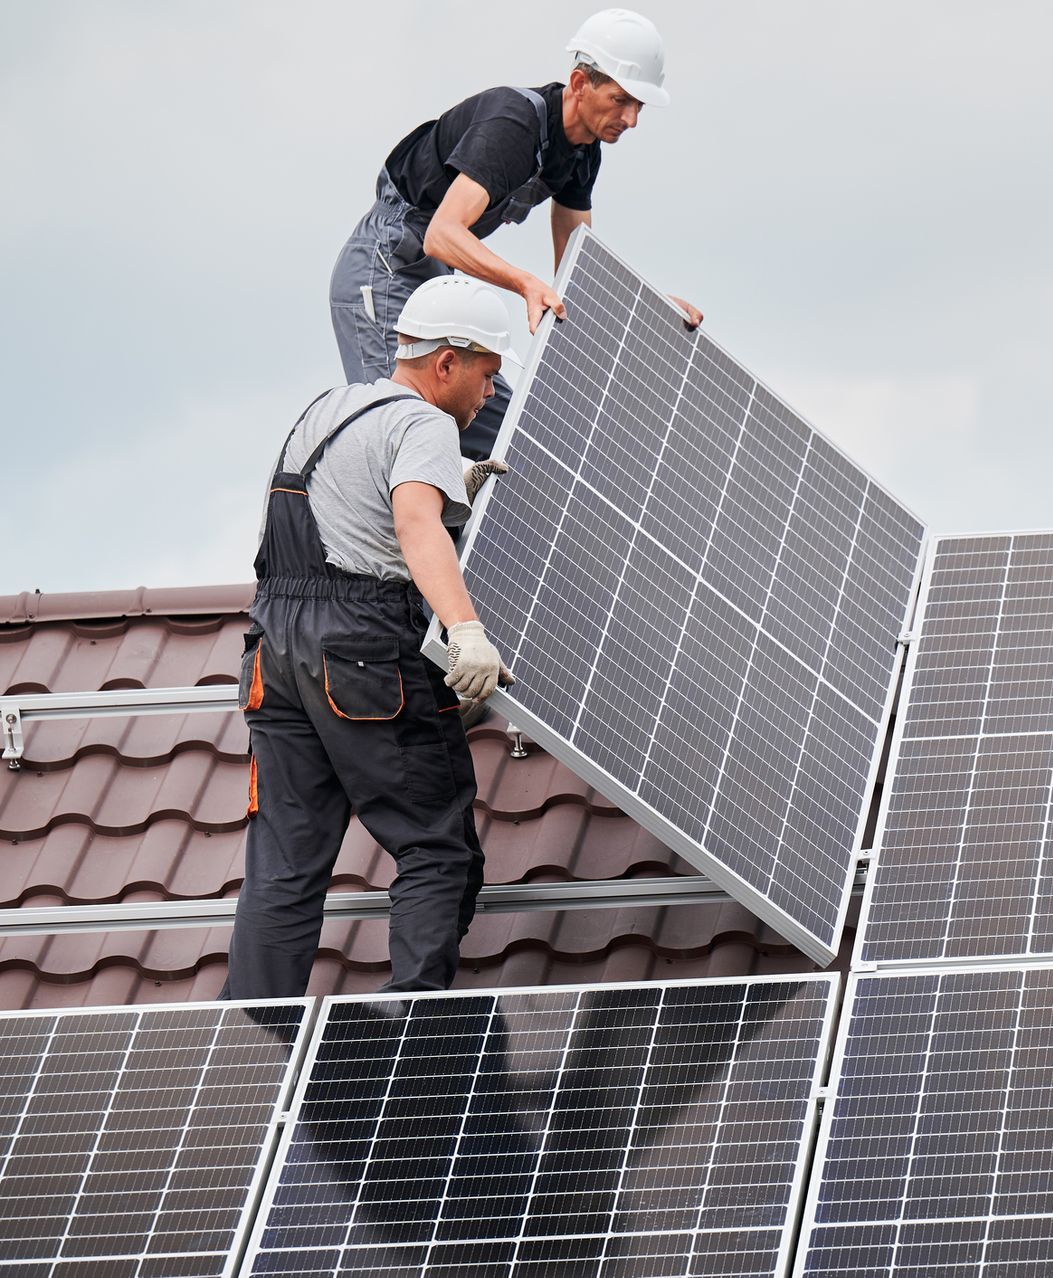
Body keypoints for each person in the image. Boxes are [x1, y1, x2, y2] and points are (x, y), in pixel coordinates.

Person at [225, 276, 519, 999]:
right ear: (446, 362)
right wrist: (467, 630)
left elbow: (344, 517)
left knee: (286, 866)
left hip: (275, 648)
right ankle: (413, 1047)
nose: (490, 393)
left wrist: (453, 490)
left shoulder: (327, 408)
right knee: (434, 846)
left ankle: (247, 1061)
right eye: (486, 374)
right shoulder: (424, 425)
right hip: (358, 647)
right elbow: (414, 526)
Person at [328, 8, 702, 460]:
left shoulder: (583, 156)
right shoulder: (515, 123)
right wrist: (523, 282)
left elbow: (577, 272)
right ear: (581, 84)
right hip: (386, 265)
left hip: (435, 282)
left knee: (514, 440)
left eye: (639, 106)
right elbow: (442, 234)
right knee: (403, 425)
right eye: (622, 99)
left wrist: (651, 309)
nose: (632, 118)